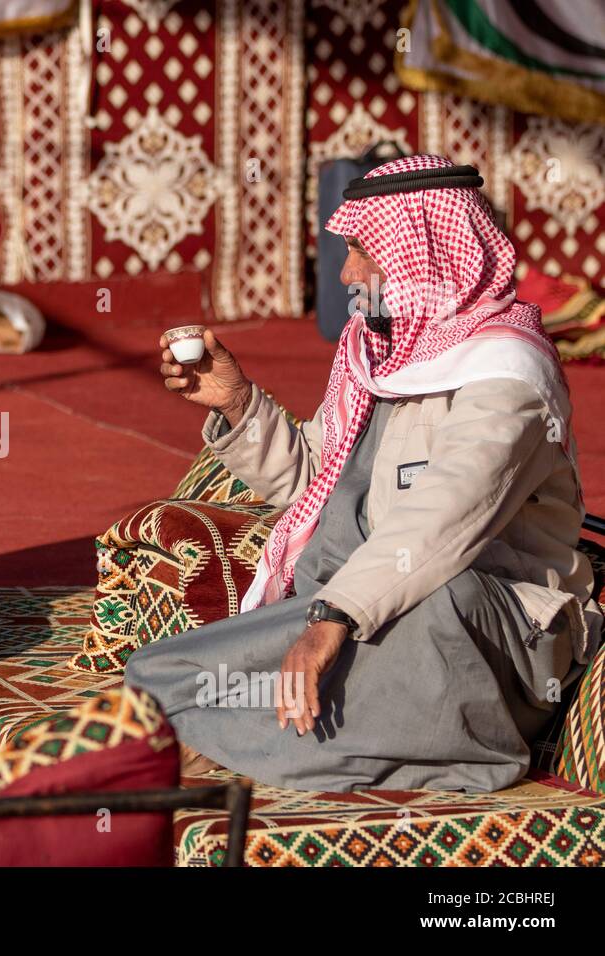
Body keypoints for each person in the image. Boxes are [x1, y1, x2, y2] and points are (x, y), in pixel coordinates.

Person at [125, 155, 602, 792]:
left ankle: (463, 749)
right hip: (345, 604)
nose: (348, 273)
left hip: (471, 629)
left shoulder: (509, 375)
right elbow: (317, 486)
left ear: (423, 256)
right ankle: (278, 739)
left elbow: (444, 517)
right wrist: (239, 405)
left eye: (361, 250)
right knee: (156, 678)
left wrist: (335, 622)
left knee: (440, 598)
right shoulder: (377, 355)